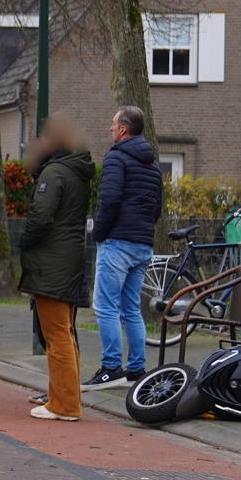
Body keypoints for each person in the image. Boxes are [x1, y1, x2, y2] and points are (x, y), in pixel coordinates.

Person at [17, 120, 94, 421]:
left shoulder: (54, 173)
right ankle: (67, 398)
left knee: (56, 335)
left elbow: (41, 217)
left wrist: (24, 241)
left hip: (51, 261)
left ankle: (64, 405)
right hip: (70, 258)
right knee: (67, 332)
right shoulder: (78, 172)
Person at [86, 106, 163, 389]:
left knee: (105, 307)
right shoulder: (152, 164)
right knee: (131, 308)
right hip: (142, 244)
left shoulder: (117, 158)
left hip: (117, 242)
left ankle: (110, 368)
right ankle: (136, 369)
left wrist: (100, 233)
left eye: (113, 123)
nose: (110, 128)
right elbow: (157, 207)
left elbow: (109, 200)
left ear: (123, 129)